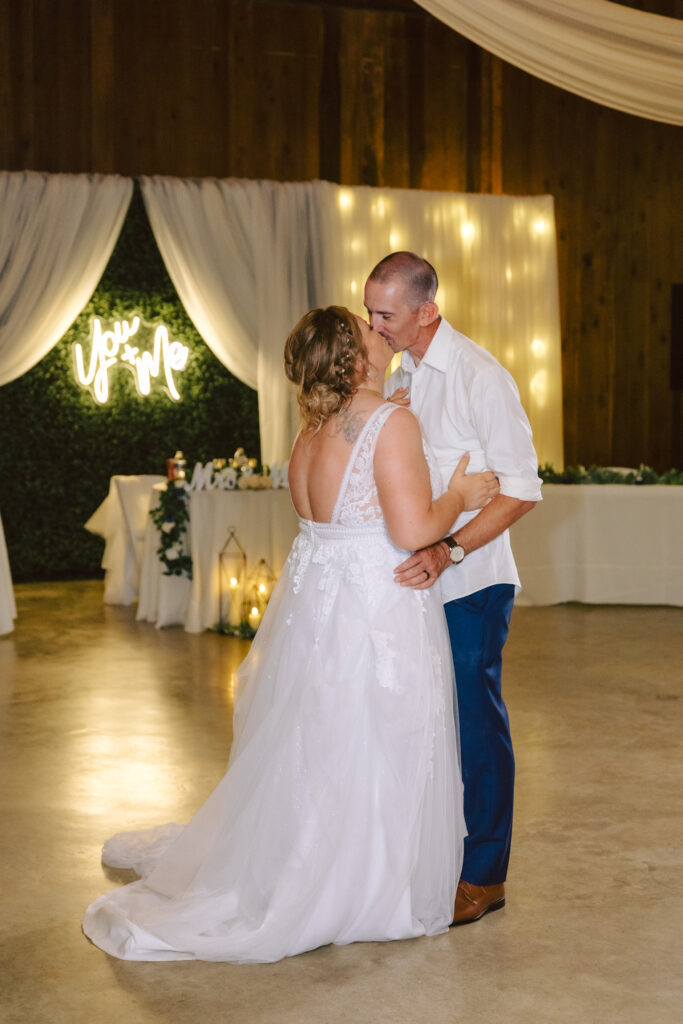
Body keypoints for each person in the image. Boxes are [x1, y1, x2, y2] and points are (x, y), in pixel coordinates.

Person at [82, 305, 499, 963]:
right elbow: (414, 529)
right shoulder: (390, 423)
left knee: (315, 735)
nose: (378, 331)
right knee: (376, 732)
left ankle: (299, 857)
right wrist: (462, 493)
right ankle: (363, 880)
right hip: (375, 601)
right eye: (367, 331)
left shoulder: (310, 433)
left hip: (318, 602)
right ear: (356, 360)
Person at [364, 252, 542, 926]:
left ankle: (483, 876)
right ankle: (436, 852)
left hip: (472, 583)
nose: (372, 324)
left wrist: (451, 548)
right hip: (417, 585)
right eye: (369, 309)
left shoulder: (479, 376)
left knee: (475, 726)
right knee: (424, 723)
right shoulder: (402, 373)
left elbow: (522, 489)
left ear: (425, 310)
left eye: (385, 313)